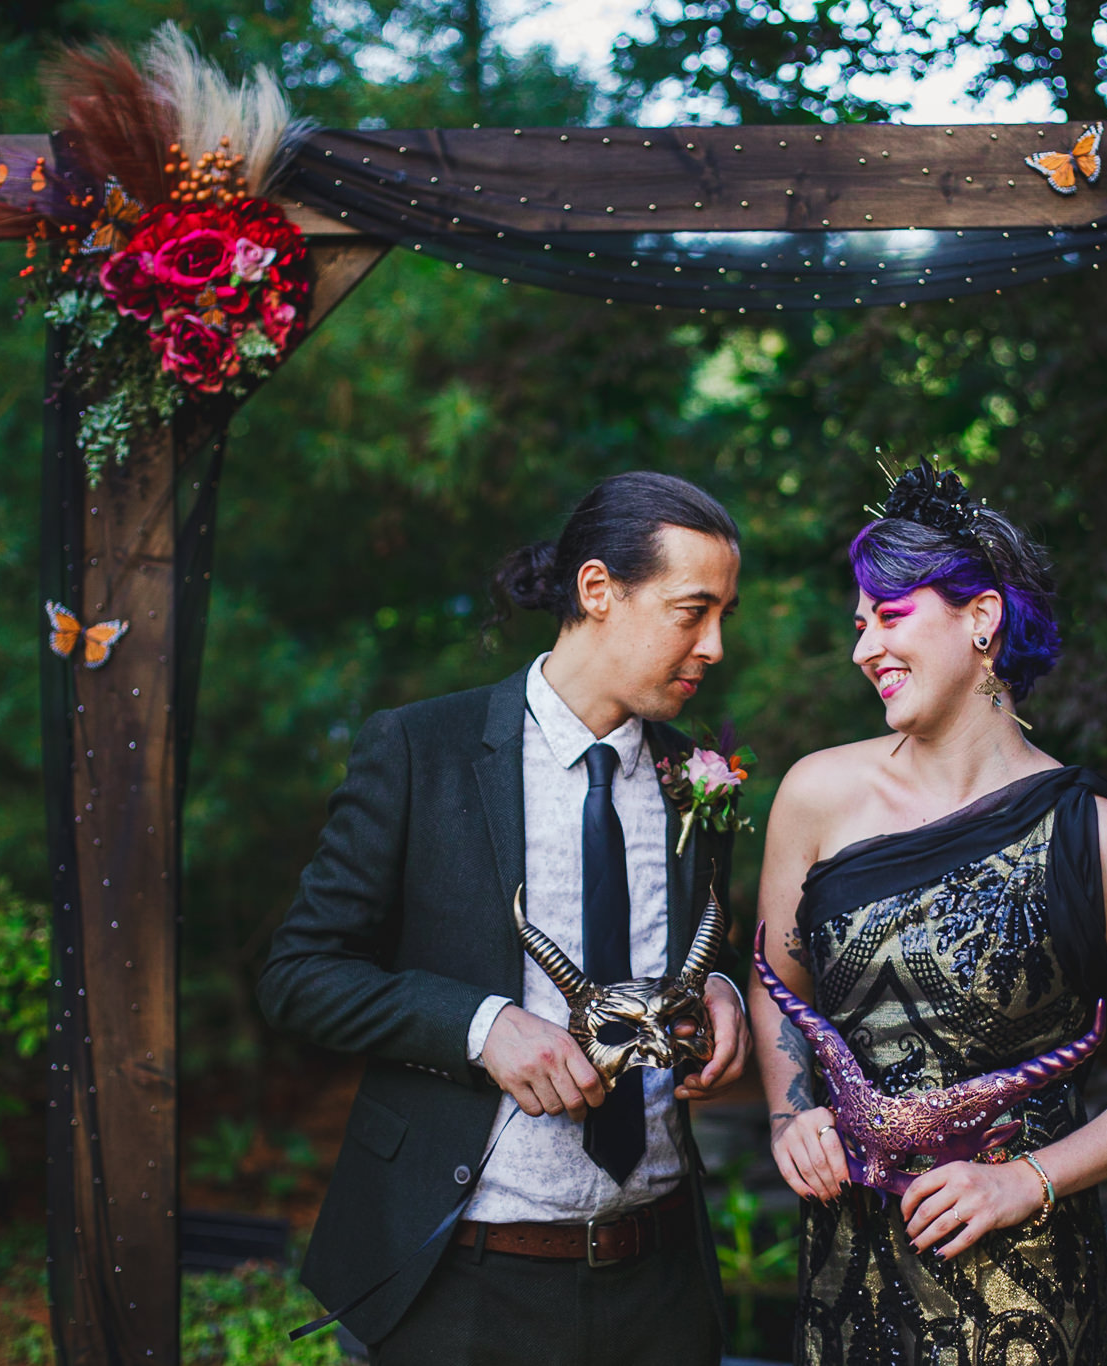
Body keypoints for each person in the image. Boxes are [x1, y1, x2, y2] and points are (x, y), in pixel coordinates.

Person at [259, 471, 754, 1366]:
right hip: (464, 1282)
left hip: (662, 1281)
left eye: (723, 614)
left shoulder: (701, 776)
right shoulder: (419, 752)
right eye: (693, 611)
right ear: (598, 591)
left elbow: (710, 935)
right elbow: (300, 975)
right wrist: (482, 1028)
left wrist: (721, 990)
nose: (716, 644)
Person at [753, 463, 1107, 1365]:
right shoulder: (816, 794)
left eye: (890, 616)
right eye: (859, 625)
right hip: (844, 1276)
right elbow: (778, 981)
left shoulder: (1096, 835)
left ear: (982, 618)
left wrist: (1026, 1182)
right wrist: (788, 1114)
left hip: (1026, 1288)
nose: (863, 648)